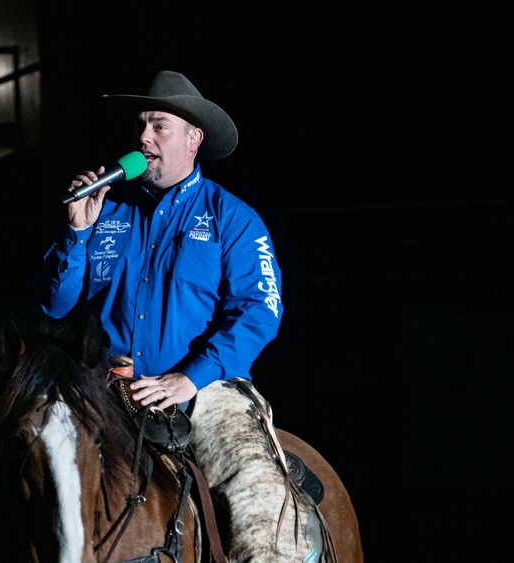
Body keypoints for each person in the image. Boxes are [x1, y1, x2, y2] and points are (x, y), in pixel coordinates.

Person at [36, 71, 329, 561]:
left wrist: (188, 379)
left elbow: (260, 311)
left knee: (259, 495)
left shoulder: (231, 218)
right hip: (108, 386)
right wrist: (77, 235)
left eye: (159, 126)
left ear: (194, 139)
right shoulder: (105, 213)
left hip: (205, 392)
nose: (144, 138)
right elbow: (57, 307)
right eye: (139, 127)